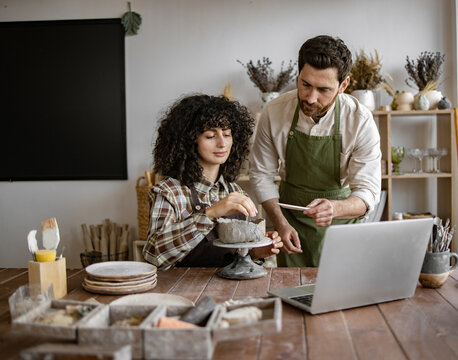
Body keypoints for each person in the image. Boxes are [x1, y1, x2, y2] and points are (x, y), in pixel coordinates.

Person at [249, 35, 381, 267]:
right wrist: (280, 223)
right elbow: (261, 175)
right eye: (305, 84)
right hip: (289, 222)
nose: (310, 98)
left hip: (341, 226)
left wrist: (336, 208)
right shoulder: (274, 112)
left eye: (323, 89)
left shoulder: (360, 120)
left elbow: (367, 192)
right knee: (291, 294)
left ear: (343, 85)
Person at [143, 94, 283, 269]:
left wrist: (256, 252)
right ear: (189, 140)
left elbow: (238, 257)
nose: (222, 143)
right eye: (210, 136)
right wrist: (210, 213)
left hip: (229, 291)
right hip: (185, 292)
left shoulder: (235, 191)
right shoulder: (169, 192)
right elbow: (153, 255)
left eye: (227, 134)